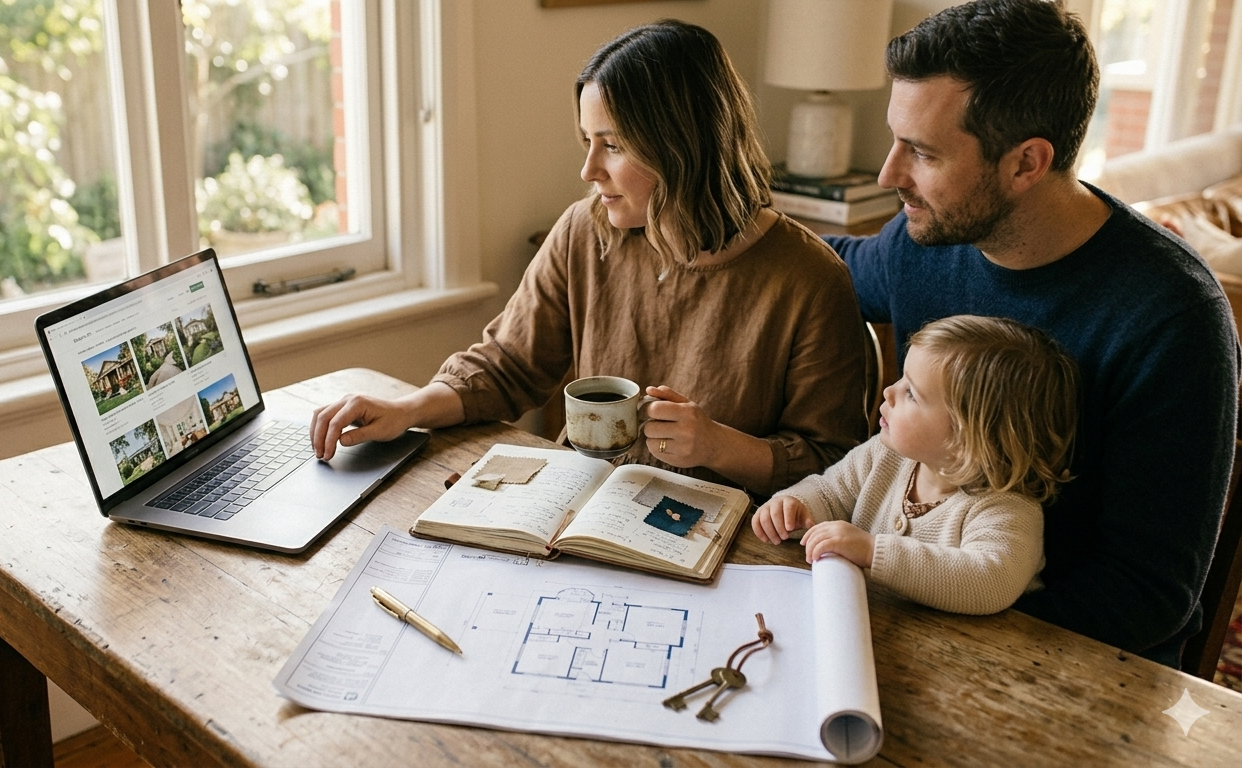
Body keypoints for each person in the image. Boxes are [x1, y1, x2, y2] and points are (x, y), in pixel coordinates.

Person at [824, 0, 1239, 664]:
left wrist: (929, 630)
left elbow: (1148, 595)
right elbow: (829, 268)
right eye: (896, 139)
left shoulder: (1172, 318)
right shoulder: (922, 240)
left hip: (1062, 665)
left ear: (1025, 164)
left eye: (923, 153)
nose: (888, 174)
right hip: (897, 621)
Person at [311, 20, 868, 496]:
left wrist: (719, 445)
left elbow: (833, 466)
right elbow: (506, 367)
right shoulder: (585, 231)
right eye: (587, 141)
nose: (589, 171)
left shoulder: (811, 281)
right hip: (580, 512)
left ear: (683, 146)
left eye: (615, 144)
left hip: (721, 547)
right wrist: (406, 409)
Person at [752, 315, 1079, 615]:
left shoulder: (1008, 508)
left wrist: (872, 551)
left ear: (964, 438)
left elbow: (991, 579)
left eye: (912, 393)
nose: (889, 391)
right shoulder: (885, 454)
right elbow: (829, 491)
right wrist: (795, 506)